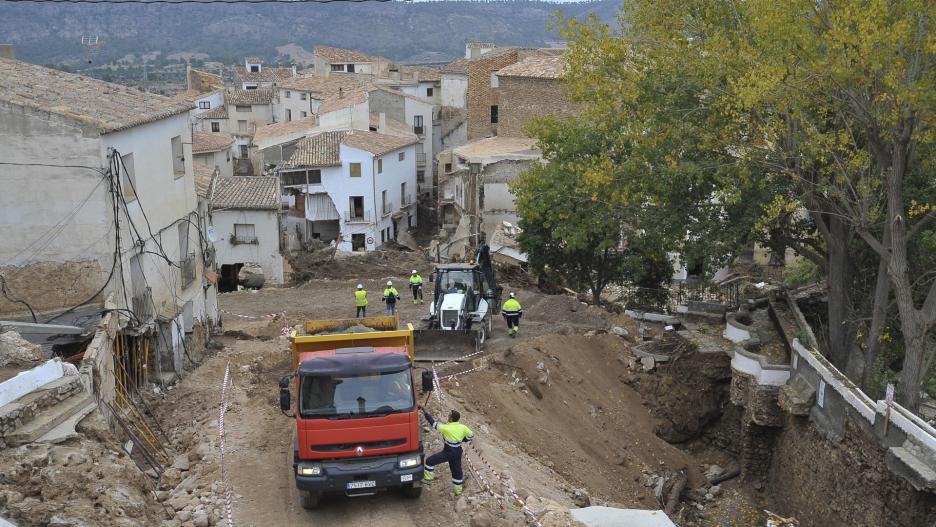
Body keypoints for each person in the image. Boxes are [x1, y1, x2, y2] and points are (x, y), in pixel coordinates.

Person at [421, 407, 474, 496]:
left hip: (449, 452)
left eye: (449, 415)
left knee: (429, 461)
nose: (448, 416)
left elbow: (433, 423)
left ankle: (428, 480)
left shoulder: (446, 428)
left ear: (452, 418)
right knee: (457, 471)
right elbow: (471, 435)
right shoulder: (463, 427)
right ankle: (458, 492)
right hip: (458, 451)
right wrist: (463, 440)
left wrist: (425, 411)